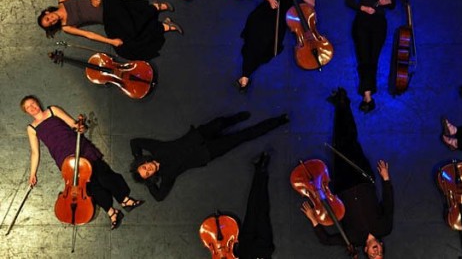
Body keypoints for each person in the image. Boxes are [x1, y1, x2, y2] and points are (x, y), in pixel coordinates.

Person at [22, 95, 144, 230]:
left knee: (104, 174)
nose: (32, 108)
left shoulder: (53, 110)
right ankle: (111, 212)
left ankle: (124, 199)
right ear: (26, 112)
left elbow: (74, 125)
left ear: (37, 103)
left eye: (33, 103)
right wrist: (32, 174)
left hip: (81, 147)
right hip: (65, 159)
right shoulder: (31, 128)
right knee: (89, 187)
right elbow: (35, 152)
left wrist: (81, 128)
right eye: (28, 107)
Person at [301, 88, 393, 258]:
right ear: (381, 246)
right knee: (351, 141)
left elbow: (326, 240)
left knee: (338, 145)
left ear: (366, 251)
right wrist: (385, 178)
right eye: (380, 253)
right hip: (363, 179)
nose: (377, 252)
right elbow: (388, 204)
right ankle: (344, 103)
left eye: (373, 257)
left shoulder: (352, 240)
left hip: (343, 187)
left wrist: (313, 218)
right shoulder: (385, 228)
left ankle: (339, 105)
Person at [129, 112, 289, 201]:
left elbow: (134, 142)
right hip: (208, 152)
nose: (148, 169)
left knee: (220, 122)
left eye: (144, 167)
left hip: (198, 136)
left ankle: (234, 119)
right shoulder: (167, 175)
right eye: (148, 174)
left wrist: (136, 159)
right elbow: (159, 197)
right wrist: (148, 183)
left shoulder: (155, 149)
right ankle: (278, 121)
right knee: (242, 137)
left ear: (143, 162)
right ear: (151, 176)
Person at [235, 0, 319, 92]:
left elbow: (312, 3)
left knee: (268, 48)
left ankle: (246, 74)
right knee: (254, 43)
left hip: (281, 20)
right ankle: (245, 76)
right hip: (265, 13)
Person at [37, 0, 182, 60]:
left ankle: (157, 13)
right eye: (50, 24)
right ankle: (162, 23)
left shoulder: (62, 1)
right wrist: (111, 41)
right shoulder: (66, 27)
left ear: (47, 12)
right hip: (108, 20)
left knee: (131, 29)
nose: (52, 20)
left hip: (109, 3)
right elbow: (89, 35)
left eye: (48, 18)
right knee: (125, 47)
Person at [345, 0, 395, 113]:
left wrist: (387, 1)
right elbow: (349, 0)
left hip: (379, 23)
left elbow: (393, 3)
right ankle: (367, 95)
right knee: (363, 58)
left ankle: (367, 94)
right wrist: (364, 7)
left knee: (373, 58)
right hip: (362, 22)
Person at [233, 152, 275, 258]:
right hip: (262, 251)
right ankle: (260, 171)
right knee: (261, 211)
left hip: (246, 250)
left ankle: (261, 171)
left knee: (252, 209)